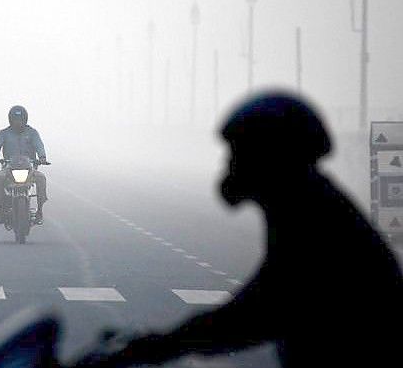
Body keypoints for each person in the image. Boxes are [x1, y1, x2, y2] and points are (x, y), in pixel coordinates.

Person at [75, 92, 403, 368]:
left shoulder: (313, 220)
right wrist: (162, 343)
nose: (228, 165)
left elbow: (255, 313)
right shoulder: (310, 206)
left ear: (270, 156)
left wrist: (158, 346)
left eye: (238, 153)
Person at [0, 105, 49, 224]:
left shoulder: (32, 133)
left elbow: (39, 145)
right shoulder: (4, 133)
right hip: (9, 168)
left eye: (20, 120)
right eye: (15, 120)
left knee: (41, 178)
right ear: (10, 120)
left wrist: (42, 157)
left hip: (29, 169)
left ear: (25, 119)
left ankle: (40, 210)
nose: (18, 123)